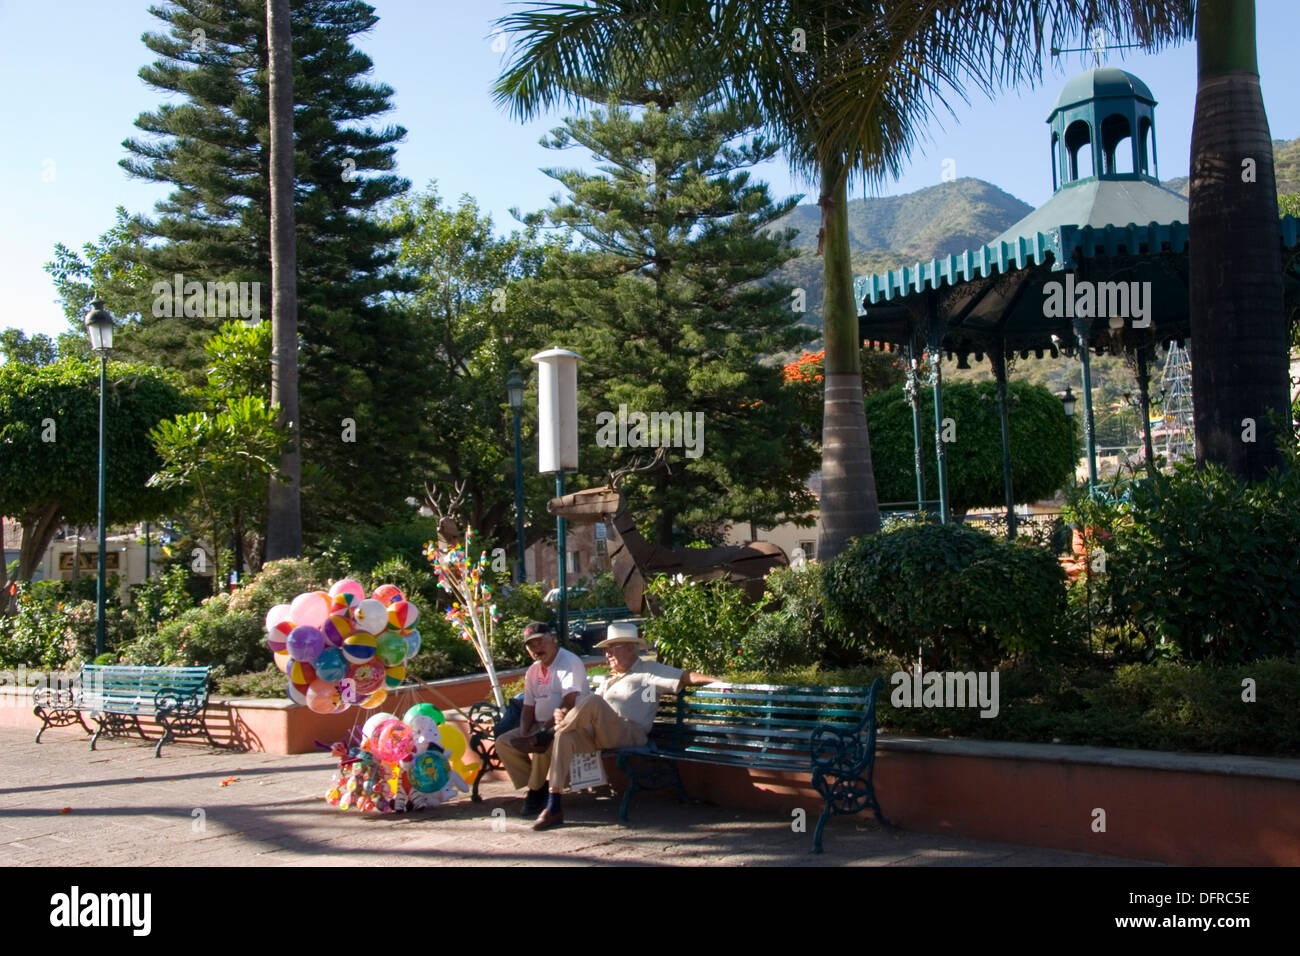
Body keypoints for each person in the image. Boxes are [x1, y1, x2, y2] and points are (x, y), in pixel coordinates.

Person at [529, 622, 717, 831]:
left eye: (612, 649)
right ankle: (553, 805)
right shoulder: (609, 680)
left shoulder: (649, 670)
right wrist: (564, 714)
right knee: (564, 737)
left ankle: (549, 733)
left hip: (631, 733)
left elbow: (685, 676)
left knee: (592, 703)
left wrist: (717, 681)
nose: (607, 654)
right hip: (602, 733)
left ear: (630, 647)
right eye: (606, 650)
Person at [493, 622, 590, 816]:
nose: (536, 648)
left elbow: (569, 701)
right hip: (541, 724)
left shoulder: (568, 662)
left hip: (571, 723)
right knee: (503, 743)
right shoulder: (533, 671)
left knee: (539, 743)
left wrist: (540, 730)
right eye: (531, 645)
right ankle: (539, 786)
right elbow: (528, 706)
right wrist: (524, 730)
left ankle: (535, 792)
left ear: (553, 639)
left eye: (540, 642)